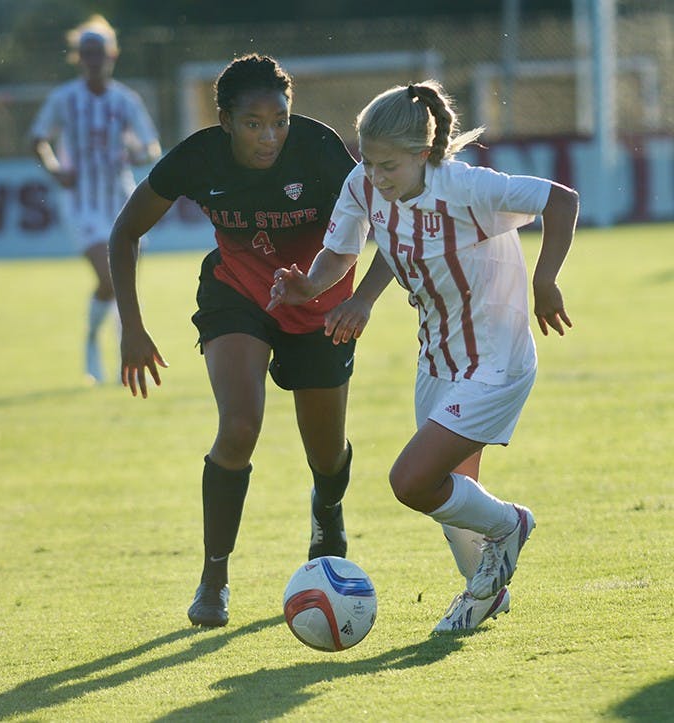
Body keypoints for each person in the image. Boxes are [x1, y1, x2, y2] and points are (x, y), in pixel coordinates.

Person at [268, 79, 578, 633]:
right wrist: (310, 287)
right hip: (437, 359)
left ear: (424, 154)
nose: (375, 175)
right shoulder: (366, 185)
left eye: (388, 165)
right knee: (452, 496)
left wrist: (545, 280)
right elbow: (345, 250)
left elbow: (560, 199)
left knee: (412, 481)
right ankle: (486, 592)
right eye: (368, 161)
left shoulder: (464, 186)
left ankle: (512, 525)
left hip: (496, 359)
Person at [110, 54, 359, 628]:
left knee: (326, 453)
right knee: (239, 426)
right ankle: (214, 578)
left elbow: (378, 220)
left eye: (280, 120)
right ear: (224, 120)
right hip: (238, 295)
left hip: (317, 304)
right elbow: (125, 232)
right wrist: (132, 325)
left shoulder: (320, 150)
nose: (269, 135)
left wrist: (357, 297)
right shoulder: (197, 157)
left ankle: (327, 508)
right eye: (252, 123)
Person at [30, 15, 161, 384]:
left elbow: (150, 147)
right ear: (77, 56)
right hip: (81, 202)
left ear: (112, 55)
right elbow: (37, 138)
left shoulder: (125, 99)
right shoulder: (64, 99)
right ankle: (91, 342)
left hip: (120, 199)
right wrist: (55, 170)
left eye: (99, 52)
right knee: (108, 277)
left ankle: (125, 346)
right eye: (86, 52)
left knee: (125, 283)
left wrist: (135, 154)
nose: (94, 59)